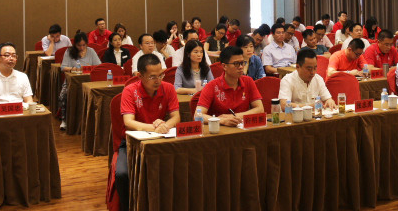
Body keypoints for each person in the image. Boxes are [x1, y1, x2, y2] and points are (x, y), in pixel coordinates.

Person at [116, 53, 181, 211]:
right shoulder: (130, 91)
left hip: (161, 139)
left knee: (182, 167)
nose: (158, 80)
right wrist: (155, 127)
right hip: (133, 143)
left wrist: (164, 126)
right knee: (122, 174)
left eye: (161, 75)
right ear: (140, 76)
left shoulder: (168, 88)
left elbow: (176, 117)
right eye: (152, 77)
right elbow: (128, 122)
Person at [196, 46, 263, 126]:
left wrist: (235, 116)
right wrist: (222, 120)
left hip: (242, 129)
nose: (241, 67)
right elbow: (198, 115)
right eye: (236, 64)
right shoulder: (212, 86)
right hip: (220, 130)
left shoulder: (248, 81)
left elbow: (260, 109)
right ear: (224, 66)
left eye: (242, 63)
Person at [58, 31, 100, 129]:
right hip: (72, 82)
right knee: (63, 96)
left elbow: (99, 66)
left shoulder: (91, 51)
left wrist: (90, 68)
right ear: (75, 44)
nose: (81, 48)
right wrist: (74, 69)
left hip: (89, 81)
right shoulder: (69, 51)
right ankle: (64, 120)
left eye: (83, 45)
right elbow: (63, 67)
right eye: (79, 45)